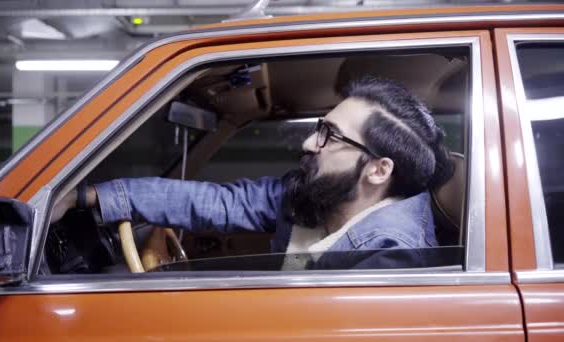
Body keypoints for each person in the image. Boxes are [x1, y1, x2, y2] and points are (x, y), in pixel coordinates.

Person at [51, 76, 454, 269]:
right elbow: (221, 203)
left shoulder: (393, 255)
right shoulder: (319, 194)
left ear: (379, 170)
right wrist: (87, 196)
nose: (309, 144)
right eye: (319, 127)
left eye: (330, 136)